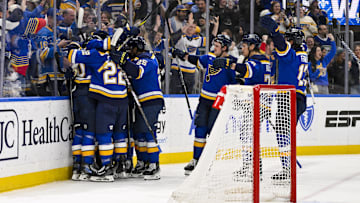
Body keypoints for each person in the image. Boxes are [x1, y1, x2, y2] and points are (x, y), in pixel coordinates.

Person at [67, 27, 139, 182]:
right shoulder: (120, 55)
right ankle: (121, 165)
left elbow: (71, 55)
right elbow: (136, 72)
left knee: (99, 134)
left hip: (102, 99)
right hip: (123, 99)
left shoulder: (95, 54)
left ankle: (102, 168)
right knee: (119, 134)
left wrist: (77, 45)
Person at [172, 34, 237, 175]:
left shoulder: (231, 63)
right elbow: (195, 60)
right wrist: (182, 54)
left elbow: (235, 83)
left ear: (225, 48)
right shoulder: (210, 57)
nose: (214, 48)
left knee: (212, 133)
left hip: (219, 103)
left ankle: (210, 161)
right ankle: (196, 159)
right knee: (200, 130)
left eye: (218, 46)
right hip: (204, 100)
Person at [261, 16, 308, 180]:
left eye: (289, 39)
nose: (286, 41)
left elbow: (281, 46)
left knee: (282, 132)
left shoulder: (292, 54)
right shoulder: (302, 52)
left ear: (294, 40)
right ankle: (287, 165)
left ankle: (287, 168)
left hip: (289, 97)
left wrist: (275, 32)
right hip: (298, 97)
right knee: (285, 133)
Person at [111, 36, 164, 180]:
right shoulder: (138, 59)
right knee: (139, 132)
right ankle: (142, 161)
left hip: (151, 100)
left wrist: (123, 61)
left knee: (148, 132)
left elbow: (137, 72)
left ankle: (154, 163)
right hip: (141, 100)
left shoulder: (147, 60)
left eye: (131, 48)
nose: (129, 51)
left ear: (137, 48)